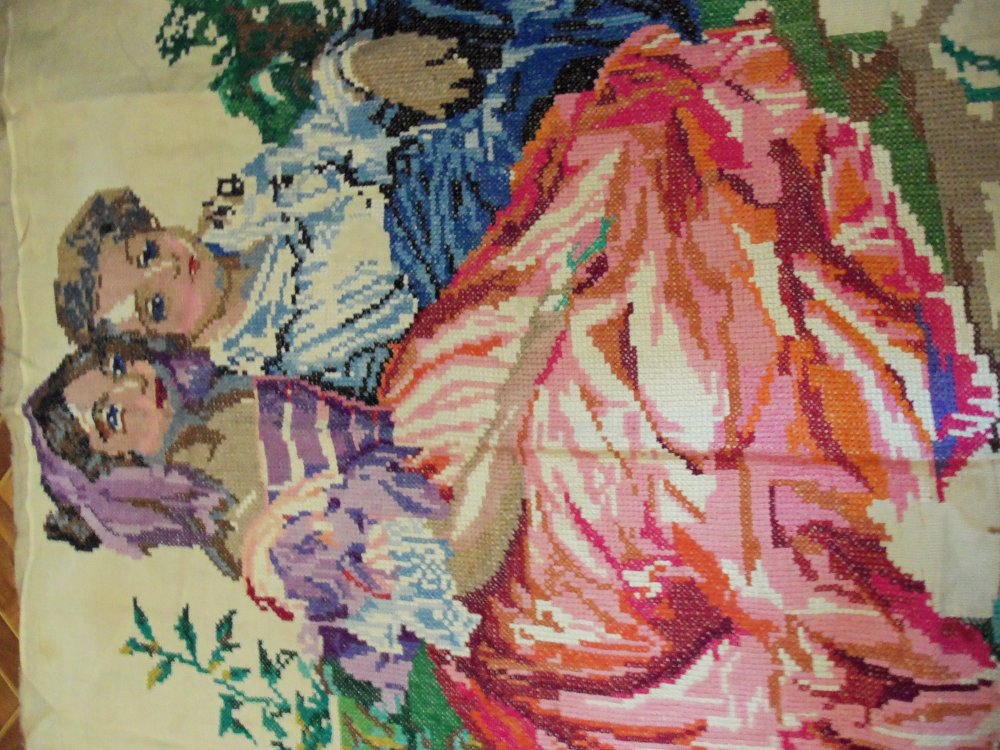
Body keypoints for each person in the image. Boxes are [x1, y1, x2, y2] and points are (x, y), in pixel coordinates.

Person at [372, 17, 1000, 748]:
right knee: (667, 421)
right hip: (519, 567)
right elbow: (468, 553)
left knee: (600, 314)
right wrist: (528, 369)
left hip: (483, 523)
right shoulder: (423, 577)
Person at [55, 1, 701, 402]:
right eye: (156, 304)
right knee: (502, 126)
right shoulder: (280, 365)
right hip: (448, 249)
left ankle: (638, 21)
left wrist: (359, 69)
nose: (170, 267)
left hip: (419, 137)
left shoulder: (239, 214)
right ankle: (655, 59)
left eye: (147, 251)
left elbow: (325, 130)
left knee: (402, 14)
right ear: (173, 348)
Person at [25, 338, 478, 701]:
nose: (135, 386)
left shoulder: (223, 398)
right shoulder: (228, 517)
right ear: (117, 471)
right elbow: (402, 554)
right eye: (111, 415)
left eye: (116, 367)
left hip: (427, 439)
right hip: (440, 533)